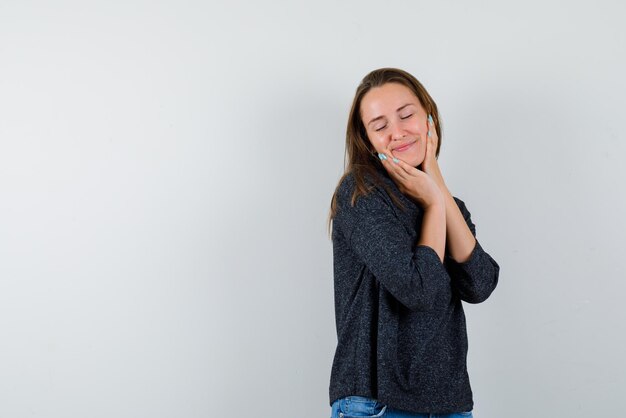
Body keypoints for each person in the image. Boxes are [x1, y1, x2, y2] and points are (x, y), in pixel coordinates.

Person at [328, 68, 500, 418]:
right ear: (367, 140)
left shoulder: (449, 205)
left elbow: (480, 283)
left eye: (406, 115)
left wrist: (434, 181)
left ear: (429, 118)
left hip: (449, 404)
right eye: (380, 126)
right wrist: (435, 204)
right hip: (378, 403)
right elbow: (419, 290)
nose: (397, 132)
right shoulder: (361, 195)